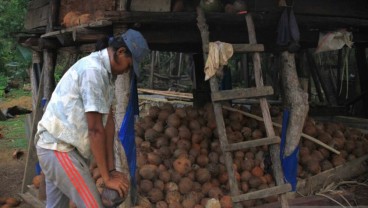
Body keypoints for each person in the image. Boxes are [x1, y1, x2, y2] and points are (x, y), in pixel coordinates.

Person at [34, 29, 150, 207]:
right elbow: (95, 130)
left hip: (61, 148)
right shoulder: (93, 72)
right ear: (120, 52)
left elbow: (108, 125)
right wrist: (106, 178)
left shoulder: (107, 75)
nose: (128, 70)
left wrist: (111, 170)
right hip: (58, 148)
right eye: (130, 64)